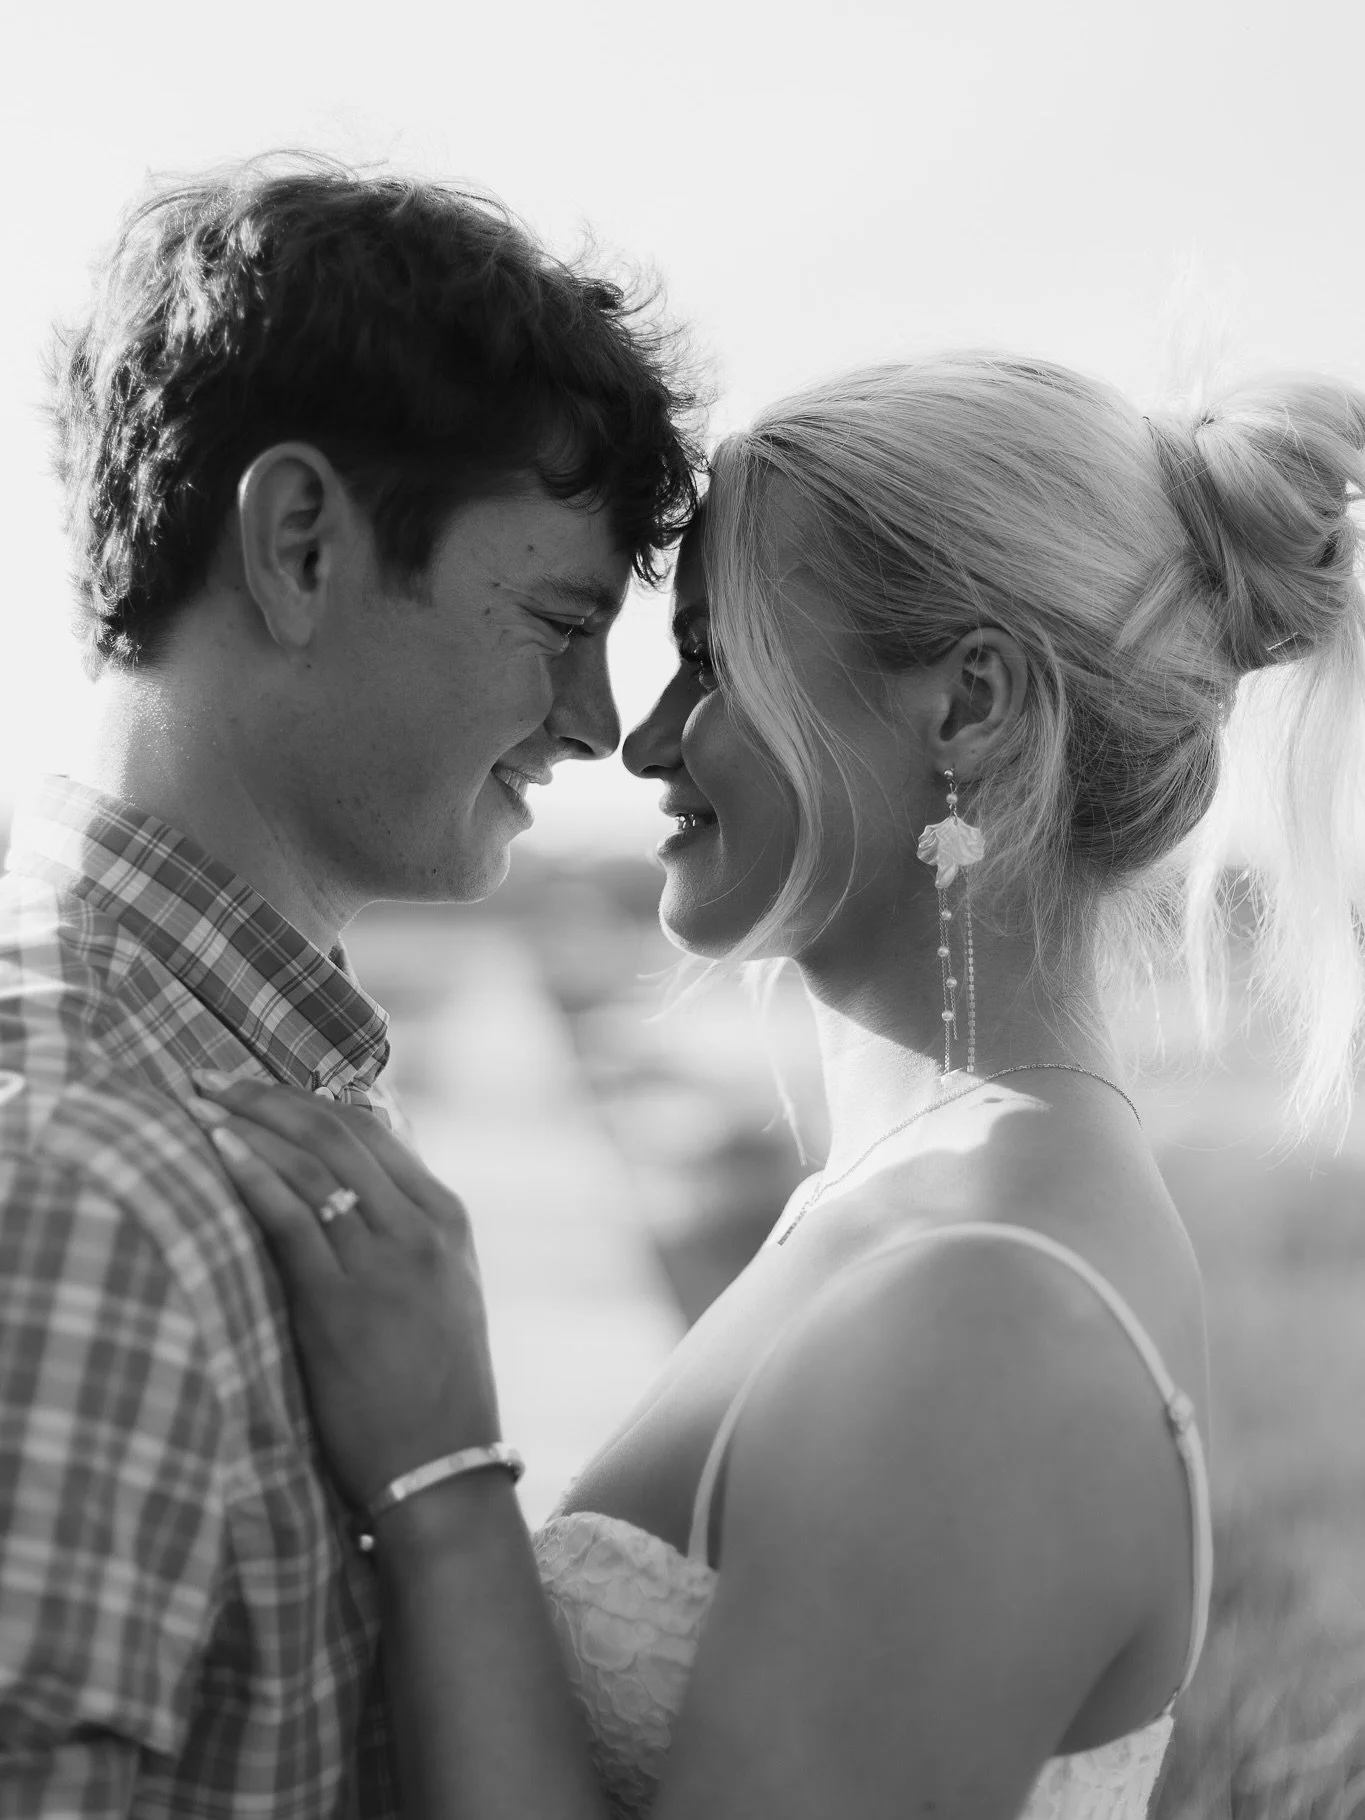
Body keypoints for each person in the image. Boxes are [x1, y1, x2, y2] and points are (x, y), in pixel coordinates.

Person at [197, 354, 1365, 1819]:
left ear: (967, 708)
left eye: (716, 657)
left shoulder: (991, 1316)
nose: (643, 735)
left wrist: (441, 1477)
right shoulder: (920, 1194)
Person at [0, 154, 699, 1815]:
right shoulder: (85, 1177)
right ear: (302, 541)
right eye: (554, 617)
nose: (600, 722)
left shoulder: (223, 1079)